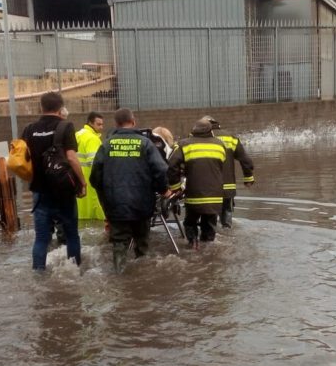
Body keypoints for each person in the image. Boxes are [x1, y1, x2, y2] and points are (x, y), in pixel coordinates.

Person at [90, 108, 169, 272]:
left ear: (116, 124)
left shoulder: (106, 144)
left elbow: (95, 177)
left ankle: (119, 275)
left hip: (116, 205)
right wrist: (163, 190)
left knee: (119, 243)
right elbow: (160, 170)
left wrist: (106, 196)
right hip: (142, 204)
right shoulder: (146, 143)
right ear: (133, 122)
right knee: (142, 242)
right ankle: (143, 278)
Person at [20, 91, 86, 270]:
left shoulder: (29, 129)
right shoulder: (66, 126)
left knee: (41, 238)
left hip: (40, 191)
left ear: (41, 107)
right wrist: (82, 183)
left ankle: (38, 274)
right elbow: (71, 157)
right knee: (72, 234)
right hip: (64, 190)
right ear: (61, 107)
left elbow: (23, 160)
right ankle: (75, 270)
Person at [166, 116, 227, 250]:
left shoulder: (184, 144)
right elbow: (219, 166)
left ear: (194, 130)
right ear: (210, 130)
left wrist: (176, 188)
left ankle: (193, 244)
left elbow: (171, 166)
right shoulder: (220, 144)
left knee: (190, 222)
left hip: (195, 194)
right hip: (215, 195)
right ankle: (209, 250)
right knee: (209, 225)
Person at [199, 115, 255, 228]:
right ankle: (228, 237)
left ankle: (212, 241)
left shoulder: (196, 139)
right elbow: (246, 160)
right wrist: (248, 178)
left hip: (207, 189)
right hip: (227, 187)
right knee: (227, 218)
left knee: (209, 220)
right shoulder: (231, 138)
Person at [75, 111, 107, 221]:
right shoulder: (92, 138)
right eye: (98, 124)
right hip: (90, 183)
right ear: (90, 123)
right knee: (98, 217)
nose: (101, 127)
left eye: (102, 124)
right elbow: (95, 164)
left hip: (78, 181)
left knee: (81, 215)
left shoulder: (77, 134)